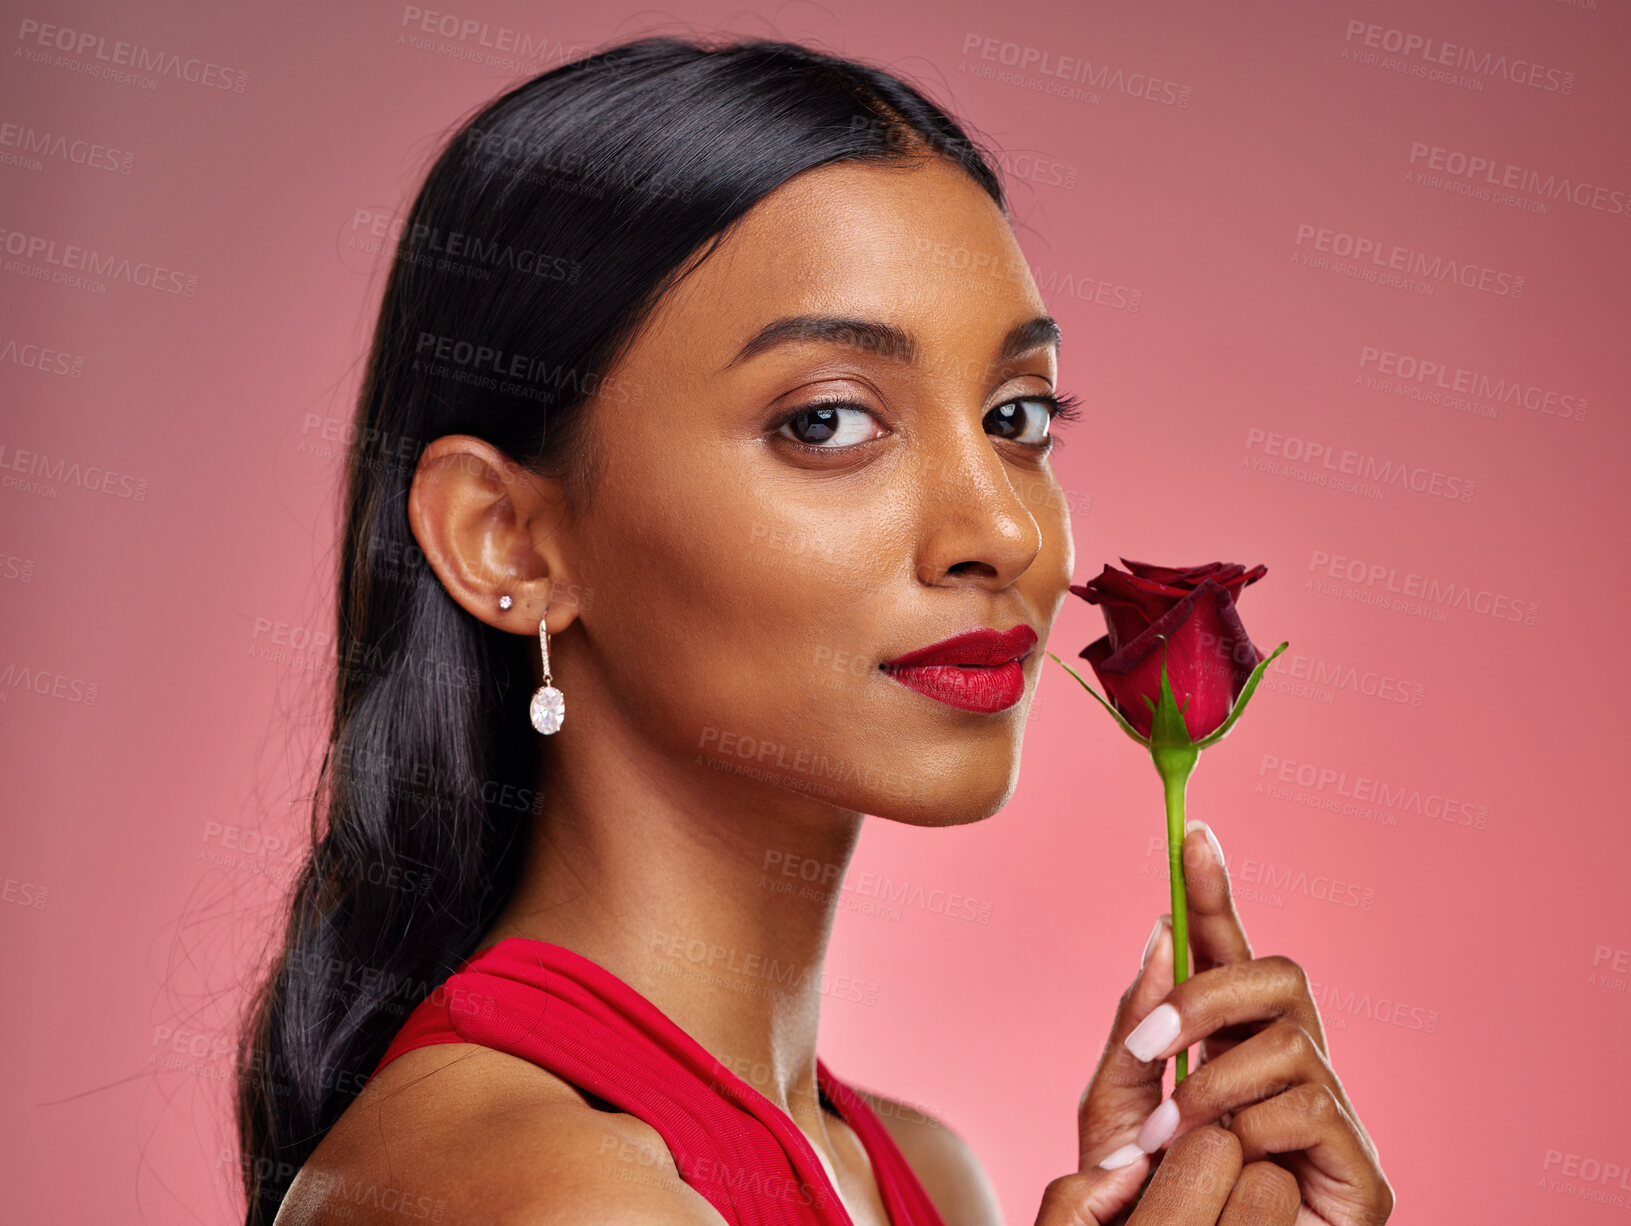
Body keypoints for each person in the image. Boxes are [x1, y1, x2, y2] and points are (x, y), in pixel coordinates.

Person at [236, 35, 1394, 1226]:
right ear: (507, 540)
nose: (998, 525)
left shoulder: (922, 1175)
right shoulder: (540, 1189)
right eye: (827, 420)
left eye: (1015, 414)